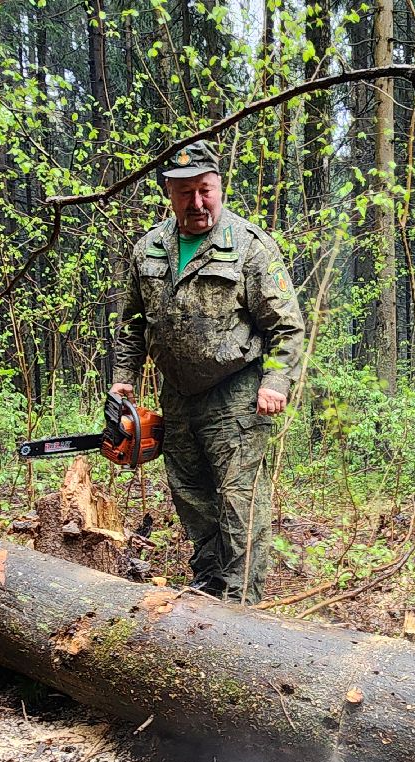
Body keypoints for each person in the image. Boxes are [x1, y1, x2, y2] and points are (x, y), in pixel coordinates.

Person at [111, 140, 305, 602]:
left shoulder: (251, 249)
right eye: (185, 193)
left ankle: (241, 602)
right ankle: (209, 582)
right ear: (169, 193)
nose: (196, 203)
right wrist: (123, 376)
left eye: (205, 190)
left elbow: (288, 328)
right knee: (190, 492)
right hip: (176, 393)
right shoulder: (149, 249)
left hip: (236, 390)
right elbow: (133, 323)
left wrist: (275, 382)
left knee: (239, 499)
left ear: (219, 188)